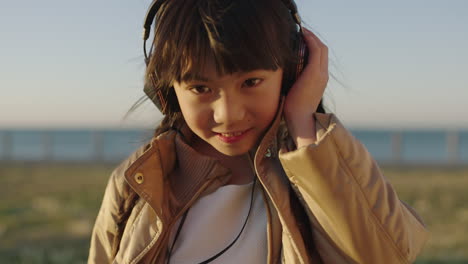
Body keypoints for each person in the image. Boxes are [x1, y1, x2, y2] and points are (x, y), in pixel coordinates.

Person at [88, 0, 429, 263]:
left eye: (251, 82)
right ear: (165, 90)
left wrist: (302, 123)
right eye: (200, 88)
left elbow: (384, 256)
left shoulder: (321, 168)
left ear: (294, 70)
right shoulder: (135, 184)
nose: (228, 113)